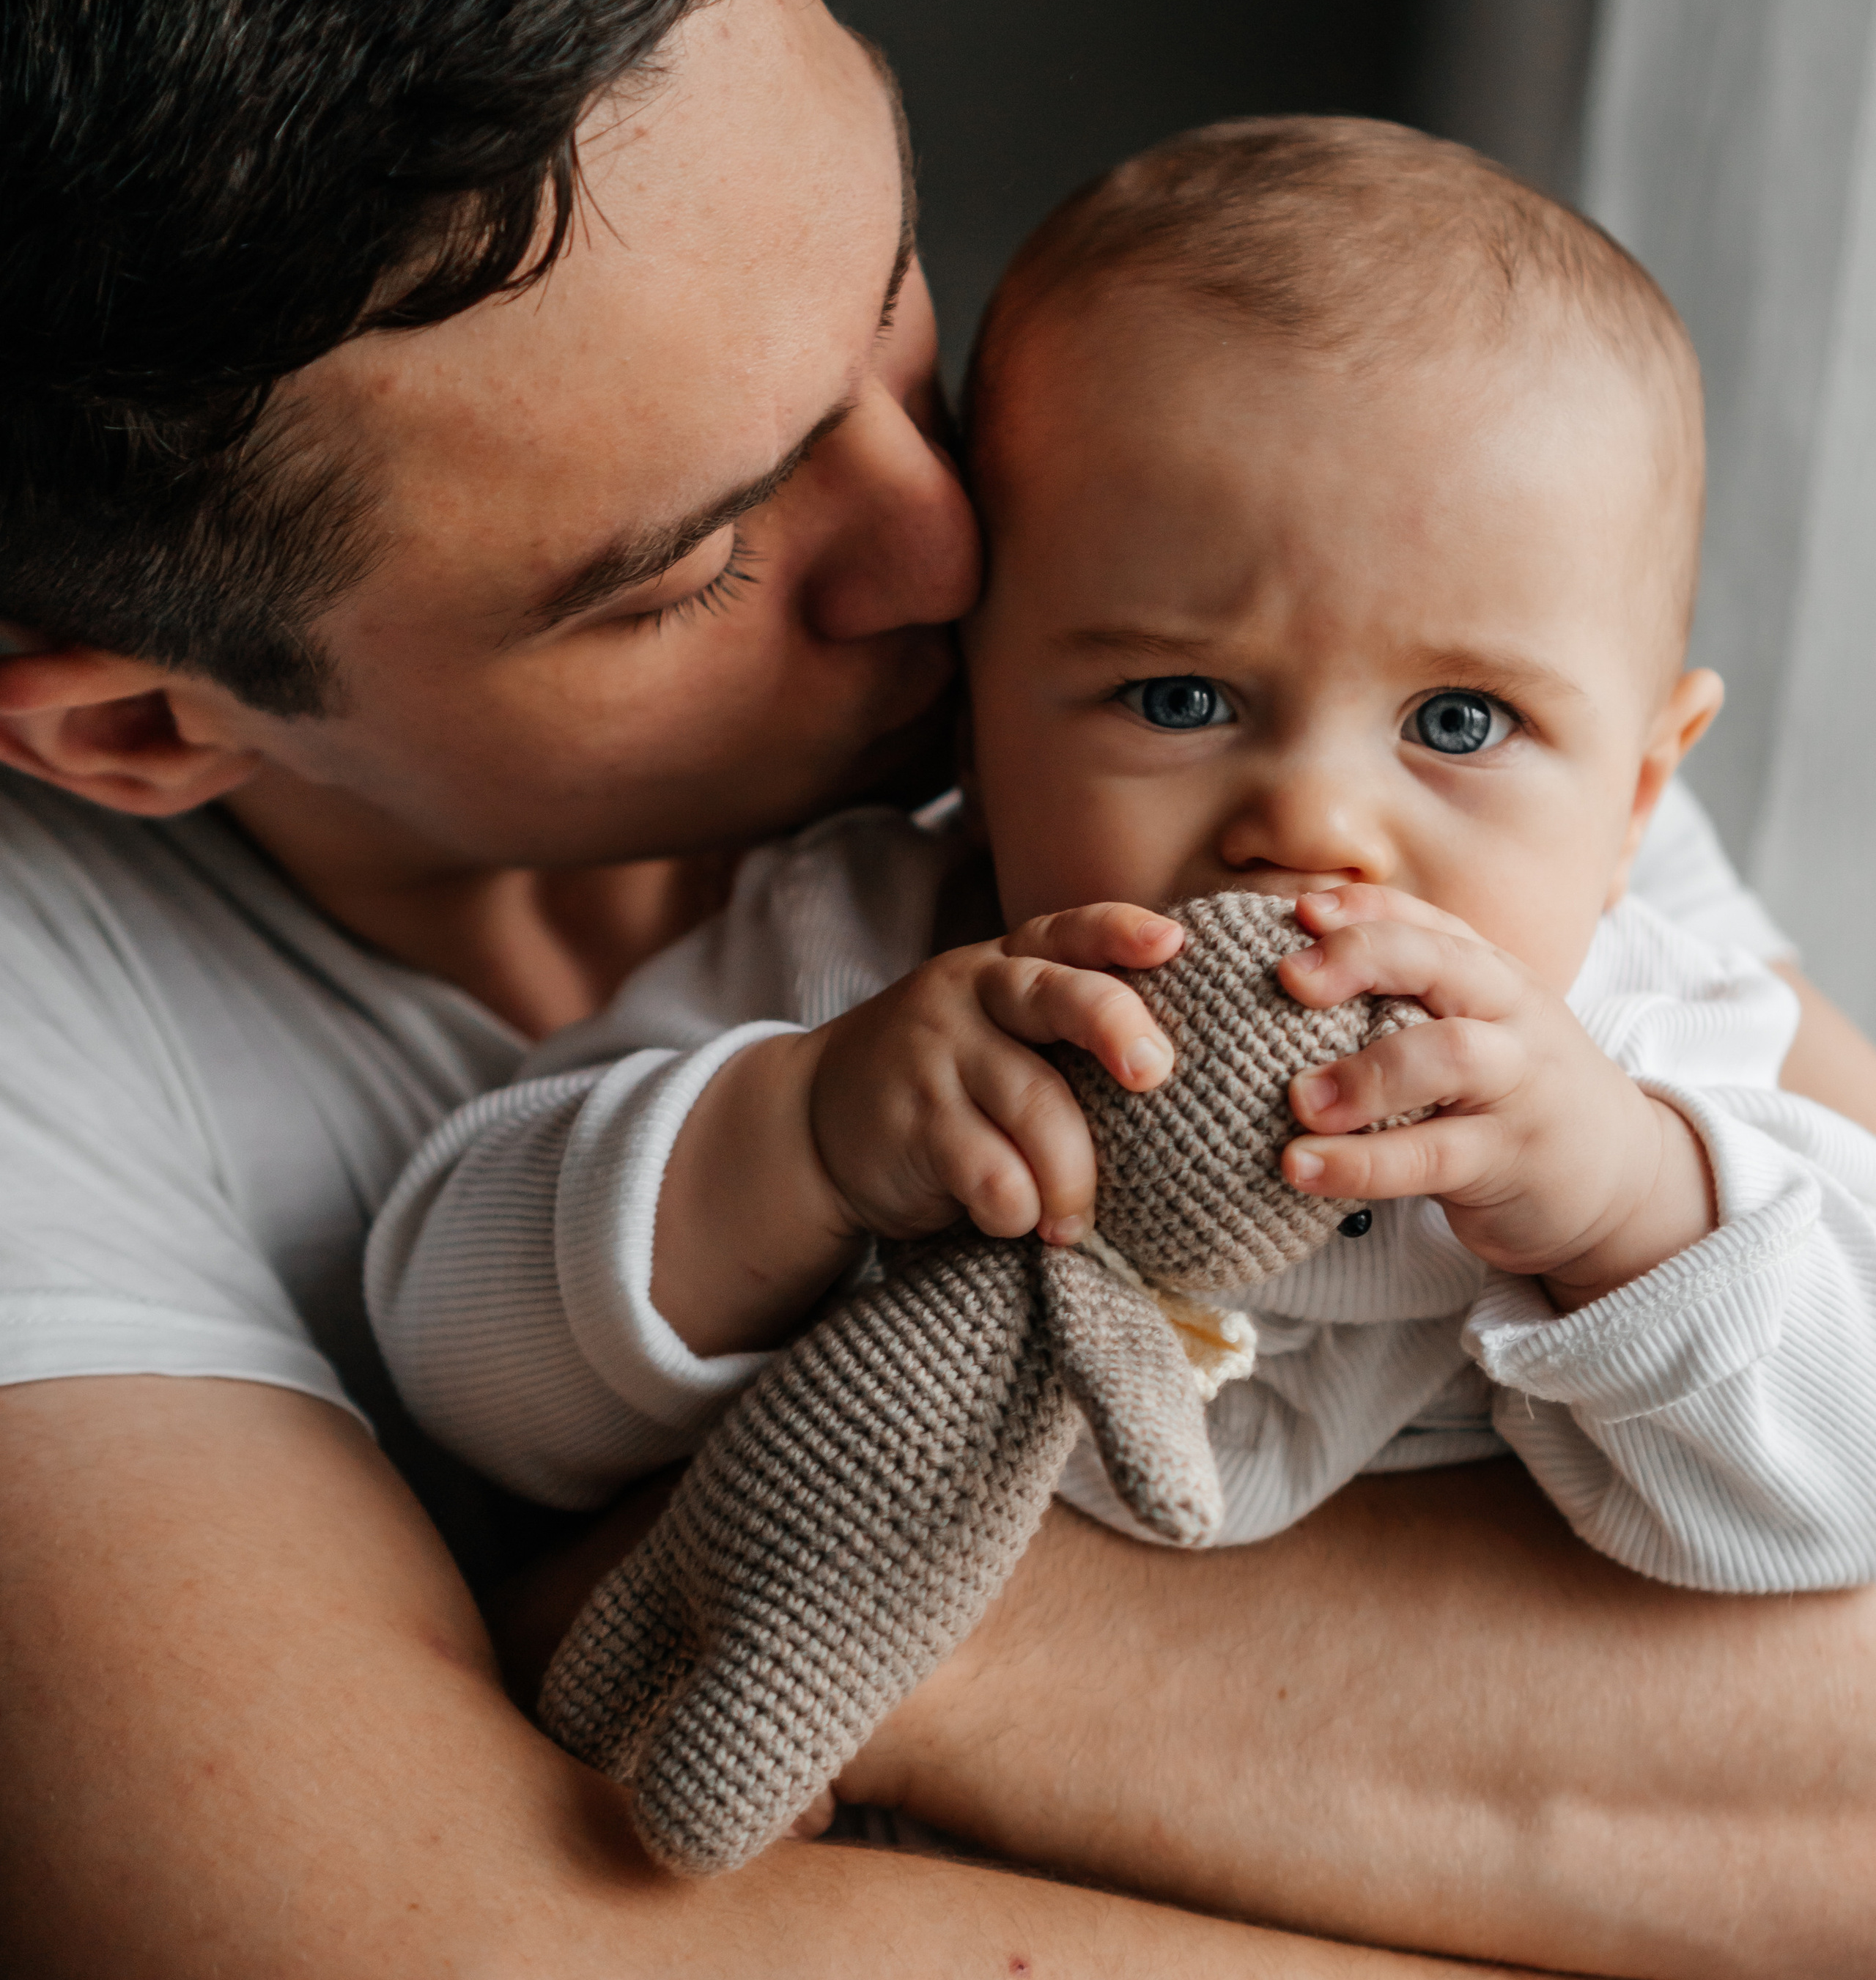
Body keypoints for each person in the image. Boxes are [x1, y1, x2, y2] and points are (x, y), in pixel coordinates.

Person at [0, 0, 1872, 1980]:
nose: (960, 540)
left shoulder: (1340, 687)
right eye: (688, 556)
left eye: (897, 288)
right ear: (135, 731)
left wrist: (949, 1645)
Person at [369, 115, 1876, 1623]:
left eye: (1458, 721)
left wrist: (1627, 1219)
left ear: (1635, 797)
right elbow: (460, 1357)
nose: (1311, 827)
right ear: (973, 714)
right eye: (1178, 700)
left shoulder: (1659, 1056)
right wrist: (800, 1143)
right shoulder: (871, 954)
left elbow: (1834, 1500)